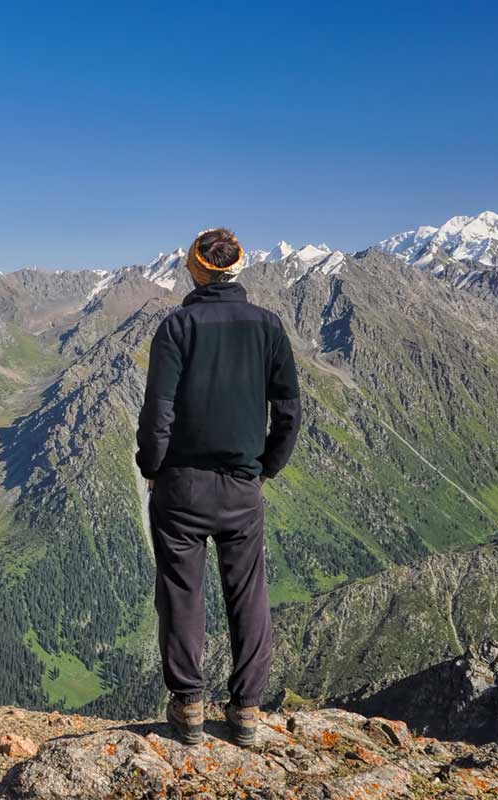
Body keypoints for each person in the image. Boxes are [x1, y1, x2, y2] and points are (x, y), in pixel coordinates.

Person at [135, 227, 301, 748]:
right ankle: (246, 710)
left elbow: (158, 409)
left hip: (181, 486)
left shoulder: (177, 326)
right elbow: (290, 411)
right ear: (237, 268)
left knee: (182, 594)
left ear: (195, 267)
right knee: (248, 595)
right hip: (241, 486)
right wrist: (265, 468)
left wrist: (153, 466)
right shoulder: (269, 327)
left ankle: (188, 709)